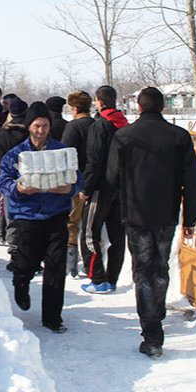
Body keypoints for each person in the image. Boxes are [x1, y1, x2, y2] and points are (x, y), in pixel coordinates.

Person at [106, 86, 196, 358]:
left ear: (139, 106)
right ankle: (155, 311)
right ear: (162, 106)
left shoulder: (124, 136)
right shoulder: (179, 137)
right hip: (167, 213)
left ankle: (152, 333)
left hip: (135, 212)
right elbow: (191, 181)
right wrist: (190, 217)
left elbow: (111, 177)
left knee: (143, 271)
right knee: (159, 267)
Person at [0, 101, 81, 333]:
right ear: (28, 126)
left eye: (44, 126)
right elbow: (2, 181)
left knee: (55, 267)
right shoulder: (17, 154)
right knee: (26, 263)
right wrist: (18, 189)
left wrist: (70, 189)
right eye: (36, 126)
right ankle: (21, 283)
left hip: (55, 215)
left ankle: (53, 317)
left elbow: (76, 178)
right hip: (27, 216)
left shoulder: (61, 152)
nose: (41, 131)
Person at [79, 85, 129, 294]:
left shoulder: (100, 126)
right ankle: (112, 278)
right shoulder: (125, 125)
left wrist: (86, 188)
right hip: (121, 188)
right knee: (117, 236)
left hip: (100, 187)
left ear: (99, 101)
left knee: (89, 234)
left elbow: (94, 160)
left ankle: (97, 279)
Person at [60, 90, 94, 278]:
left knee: (72, 222)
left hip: (76, 180)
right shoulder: (97, 125)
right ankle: (89, 264)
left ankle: (70, 265)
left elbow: (66, 154)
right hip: (95, 180)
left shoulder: (73, 127)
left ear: (74, 107)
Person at [0, 97, 28, 247]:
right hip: (28, 179)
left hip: (8, 180)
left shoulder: (2, 134)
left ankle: (10, 245)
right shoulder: (29, 134)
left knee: (8, 213)